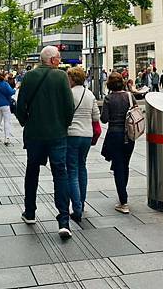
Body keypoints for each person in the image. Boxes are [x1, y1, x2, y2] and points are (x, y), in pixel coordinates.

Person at [16, 46, 74, 239]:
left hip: (34, 134)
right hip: (57, 134)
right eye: (58, 58)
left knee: (32, 171)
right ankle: (64, 220)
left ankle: (30, 212)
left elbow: (20, 106)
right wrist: (62, 126)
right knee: (60, 173)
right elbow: (69, 107)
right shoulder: (61, 77)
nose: (60, 60)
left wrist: (27, 122)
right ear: (52, 60)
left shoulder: (29, 77)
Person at [66, 67, 100, 224]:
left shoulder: (69, 94)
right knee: (82, 167)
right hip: (87, 135)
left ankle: (77, 208)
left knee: (72, 171)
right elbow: (96, 117)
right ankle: (82, 202)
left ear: (72, 79)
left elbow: (63, 114)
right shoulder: (90, 94)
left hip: (72, 135)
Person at [100, 72, 135, 214]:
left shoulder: (109, 98)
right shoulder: (129, 96)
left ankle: (123, 200)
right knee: (125, 164)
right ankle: (123, 194)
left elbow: (104, 119)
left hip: (115, 135)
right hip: (130, 135)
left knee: (118, 166)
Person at [0, 70, 16, 145]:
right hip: (5, 104)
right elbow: (11, 92)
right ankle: (7, 138)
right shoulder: (5, 84)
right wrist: (15, 88)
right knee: (7, 121)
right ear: (4, 77)